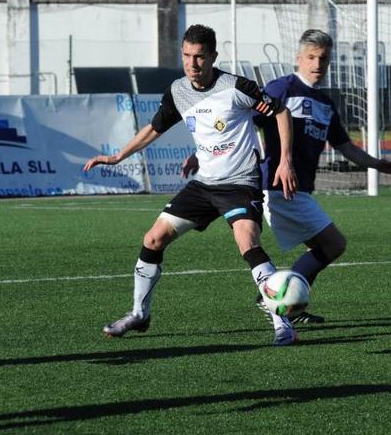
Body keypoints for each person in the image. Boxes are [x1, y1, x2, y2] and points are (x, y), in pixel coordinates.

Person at [83, 25, 300, 346]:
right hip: (203, 185)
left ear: (213, 56)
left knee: (246, 240)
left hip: (239, 182)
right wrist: (118, 156)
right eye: (187, 56)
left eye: (199, 56)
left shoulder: (237, 87)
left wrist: (285, 160)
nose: (192, 63)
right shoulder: (178, 91)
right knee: (153, 239)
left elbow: (280, 112)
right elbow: (155, 128)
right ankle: (139, 314)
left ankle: (282, 323)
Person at [183, 29, 391, 324]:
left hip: (299, 190)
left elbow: (346, 147)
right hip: (277, 187)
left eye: (323, 59)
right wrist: (202, 153)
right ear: (298, 58)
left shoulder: (325, 104)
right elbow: (238, 120)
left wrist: (380, 165)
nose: (317, 64)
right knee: (333, 244)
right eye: (311, 57)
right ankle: (274, 297)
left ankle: (280, 299)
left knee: (324, 247)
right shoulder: (281, 88)